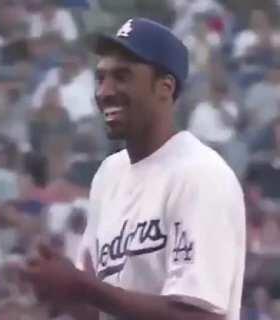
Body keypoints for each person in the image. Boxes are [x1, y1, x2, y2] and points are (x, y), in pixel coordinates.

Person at [24, 17, 246, 320]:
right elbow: (103, 307)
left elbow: (201, 316)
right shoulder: (109, 174)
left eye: (122, 76)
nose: (104, 91)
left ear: (164, 88)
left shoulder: (200, 175)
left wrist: (83, 287)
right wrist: (62, 293)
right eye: (100, 78)